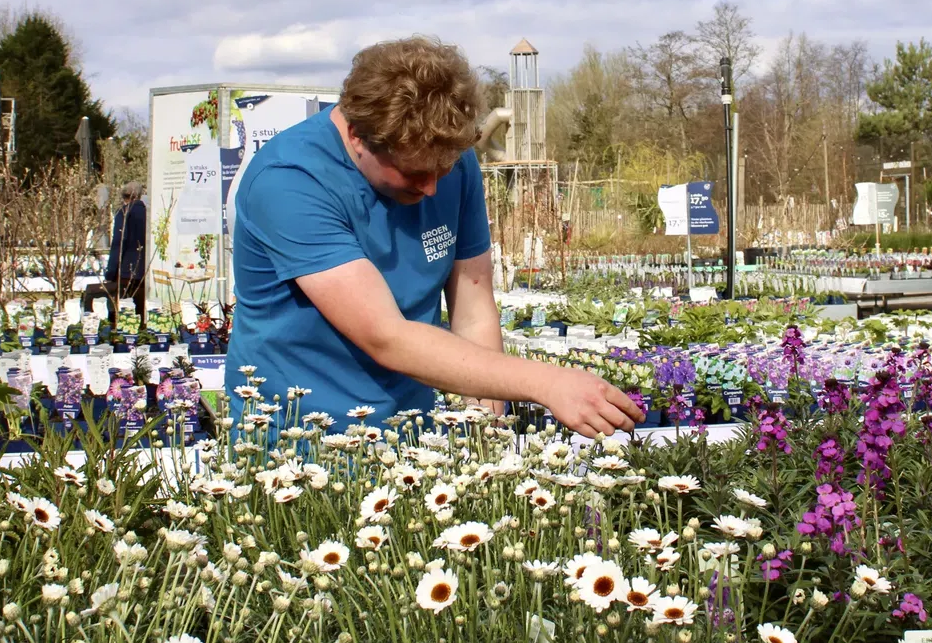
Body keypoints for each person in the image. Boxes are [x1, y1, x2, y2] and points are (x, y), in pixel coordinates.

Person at [226, 36, 644, 438]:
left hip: (410, 432)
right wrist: (545, 382)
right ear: (357, 135)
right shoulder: (290, 181)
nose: (430, 189)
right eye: (413, 174)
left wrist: (486, 433)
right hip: (301, 441)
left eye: (440, 171)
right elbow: (385, 336)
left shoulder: (450, 160)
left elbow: (473, 305)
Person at [82, 181, 146, 326]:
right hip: (144, 269)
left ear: (124, 196)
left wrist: (111, 272)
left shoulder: (124, 213)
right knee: (141, 310)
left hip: (126, 270)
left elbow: (119, 243)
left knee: (124, 310)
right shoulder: (148, 212)